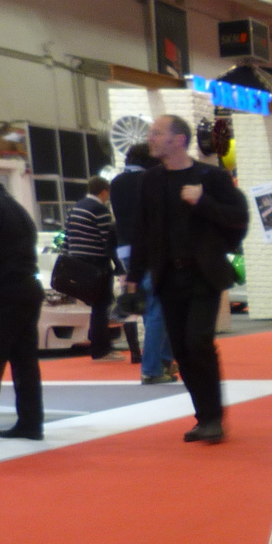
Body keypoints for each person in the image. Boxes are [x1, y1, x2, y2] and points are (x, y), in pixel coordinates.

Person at [124, 114, 250, 445]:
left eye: (157, 132)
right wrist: (133, 277)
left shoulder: (212, 177)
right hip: (168, 277)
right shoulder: (150, 180)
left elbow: (239, 219)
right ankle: (204, 416)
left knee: (198, 342)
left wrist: (203, 202)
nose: (150, 138)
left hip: (203, 275)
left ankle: (213, 418)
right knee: (181, 348)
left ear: (178, 139)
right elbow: (141, 231)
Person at [111, 143, 175, 384]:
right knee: (158, 306)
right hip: (149, 249)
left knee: (149, 305)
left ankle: (163, 360)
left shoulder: (116, 183)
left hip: (125, 249)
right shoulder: (150, 181)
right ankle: (153, 368)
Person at [0, 179, 46, 440]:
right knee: (25, 361)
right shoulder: (17, 208)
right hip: (27, 288)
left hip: (1, 291)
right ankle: (31, 422)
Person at [61, 175, 125, 360]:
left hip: (78, 263)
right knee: (102, 305)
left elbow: (67, 238)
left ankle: (97, 342)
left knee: (95, 304)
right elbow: (108, 240)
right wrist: (119, 266)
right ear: (104, 191)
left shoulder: (75, 208)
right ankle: (101, 349)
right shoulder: (100, 210)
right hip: (97, 263)